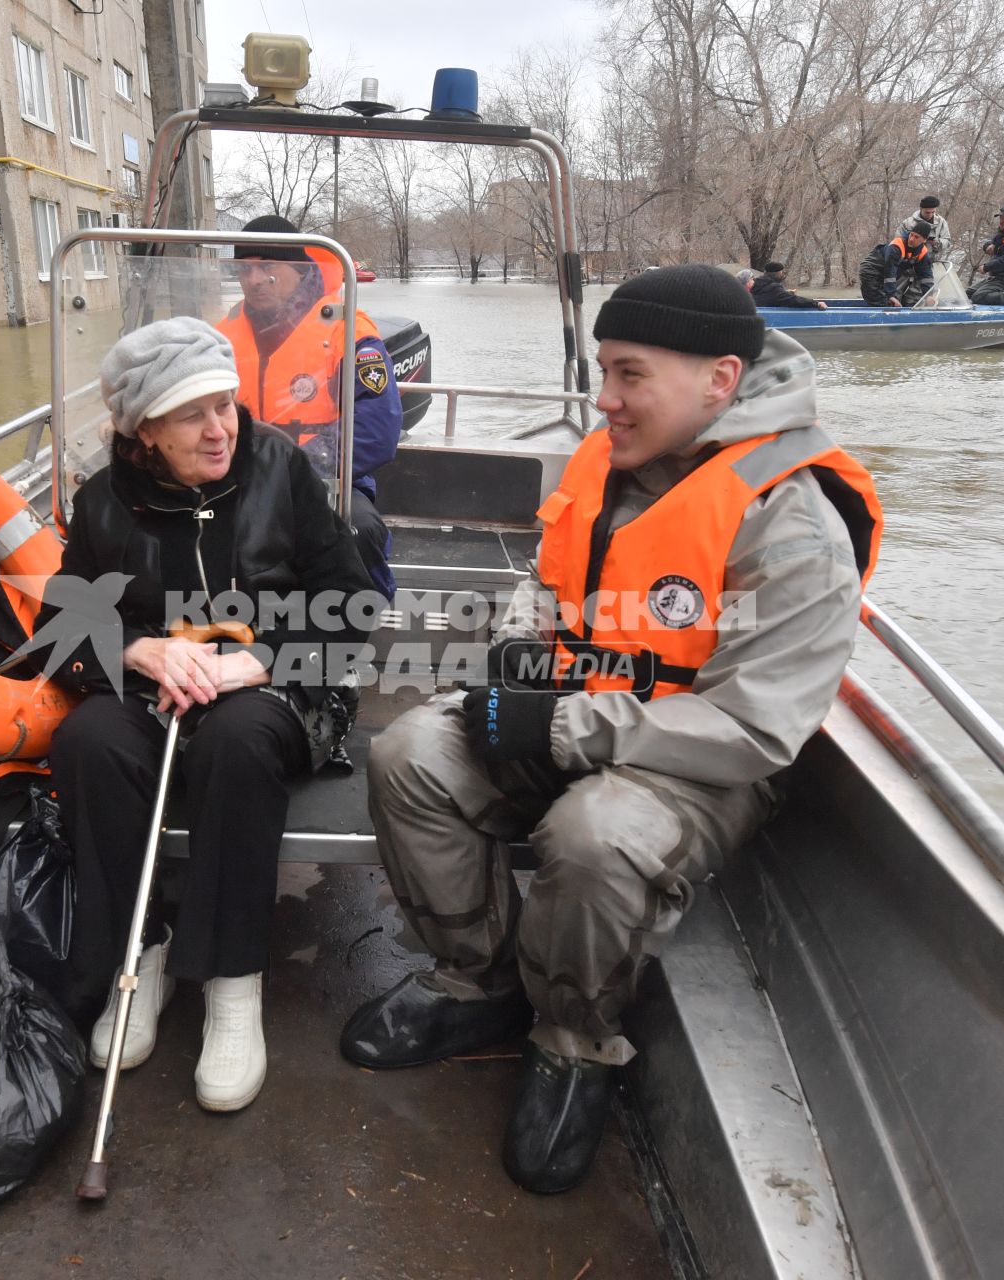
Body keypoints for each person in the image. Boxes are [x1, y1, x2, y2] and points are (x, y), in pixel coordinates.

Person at [339, 265, 881, 1194]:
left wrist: (563, 727)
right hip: (572, 714)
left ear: (719, 380)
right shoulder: (609, 457)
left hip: (696, 762)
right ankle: (478, 981)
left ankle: (574, 1044)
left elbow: (754, 731)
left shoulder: (793, 524)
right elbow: (548, 581)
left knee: (592, 836)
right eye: (604, 372)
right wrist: (519, 644)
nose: (606, 399)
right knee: (409, 754)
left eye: (630, 375)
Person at [43, 316, 377, 1113]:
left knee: (238, 736)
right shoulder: (102, 503)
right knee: (86, 738)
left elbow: (351, 605)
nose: (220, 427)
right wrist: (139, 651)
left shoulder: (280, 469)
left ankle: (234, 984)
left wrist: (250, 662)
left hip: (286, 682)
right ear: (145, 430)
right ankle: (140, 952)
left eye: (226, 404)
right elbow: (58, 630)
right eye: (193, 413)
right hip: (158, 690)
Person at [218, 214, 404, 597]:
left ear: (300, 268)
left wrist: (297, 472)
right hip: (235, 474)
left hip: (326, 478)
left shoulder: (347, 330)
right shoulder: (222, 334)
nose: (253, 279)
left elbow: (378, 428)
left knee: (361, 528)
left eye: (267, 266)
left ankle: (357, 619)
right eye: (244, 268)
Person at [858, 220, 934, 307]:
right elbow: (890, 272)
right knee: (879, 303)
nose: (912, 239)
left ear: (924, 240)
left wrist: (929, 295)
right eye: (911, 235)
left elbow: (926, 275)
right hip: (871, 270)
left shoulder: (923, 252)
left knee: (889, 303)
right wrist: (891, 295)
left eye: (916, 237)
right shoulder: (897, 246)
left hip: (884, 273)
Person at [748, 261, 828, 310]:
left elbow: (767, 296)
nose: (783, 275)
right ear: (778, 273)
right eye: (782, 272)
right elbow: (793, 300)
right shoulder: (774, 289)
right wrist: (816, 303)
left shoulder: (756, 283)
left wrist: (784, 292)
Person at [897, 195, 953, 263]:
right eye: (927, 212)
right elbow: (898, 240)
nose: (930, 215)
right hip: (909, 260)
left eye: (933, 212)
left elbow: (948, 242)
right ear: (921, 209)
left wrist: (935, 242)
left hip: (931, 261)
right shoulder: (908, 223)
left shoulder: (941, 223)